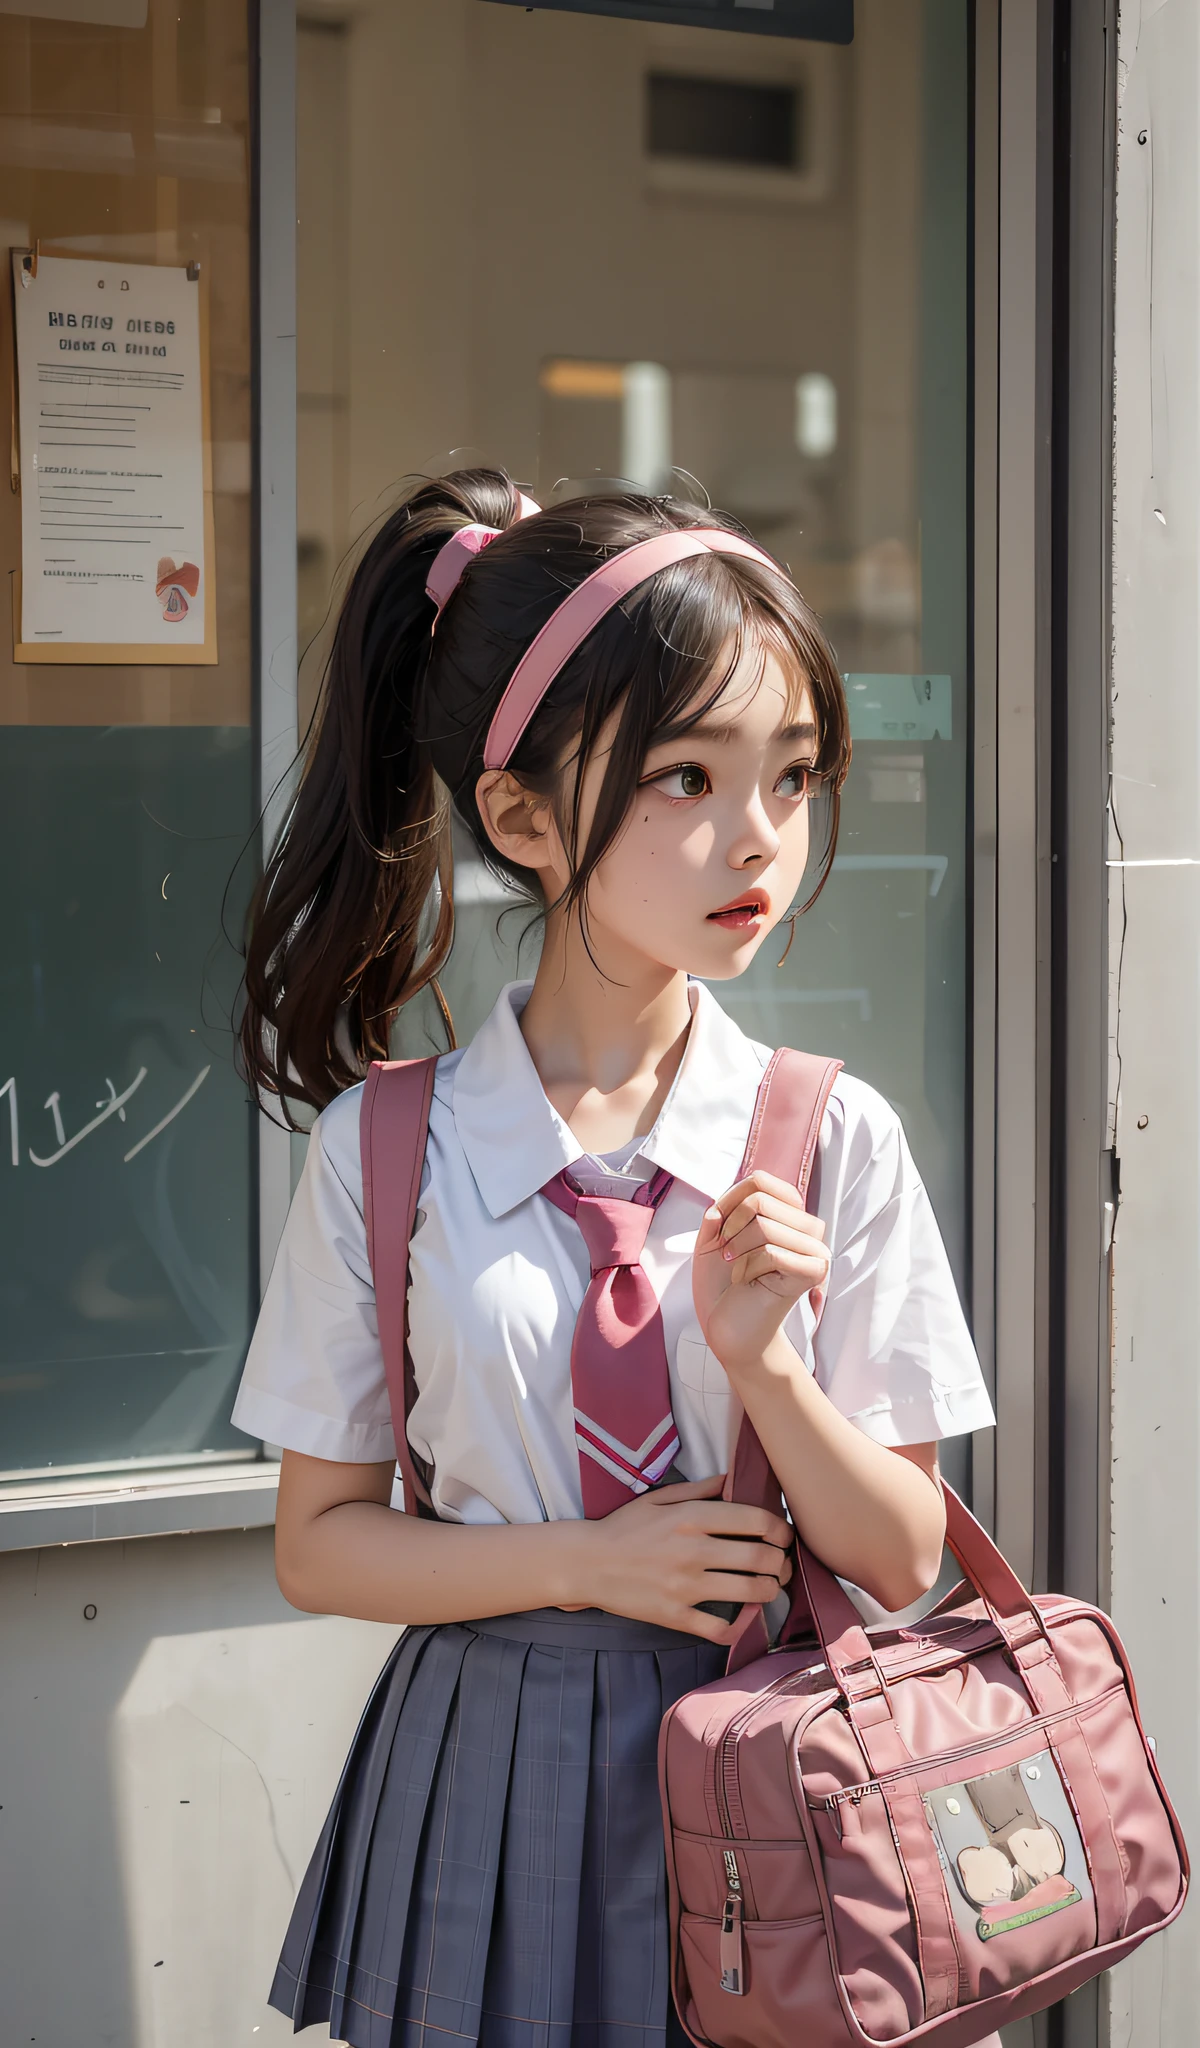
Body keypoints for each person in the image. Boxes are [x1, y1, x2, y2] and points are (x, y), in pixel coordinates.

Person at [232, 471, 995, 2048]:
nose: (758, 837)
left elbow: (910, 1557)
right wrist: (590, 1565)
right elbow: (319, 1544)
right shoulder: (389, 1150)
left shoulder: (831, 1140)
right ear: (519, 816)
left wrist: (769, 1364)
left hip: (777, 1786)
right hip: (483, 1791)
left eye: (791, 776)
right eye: (684, 778)